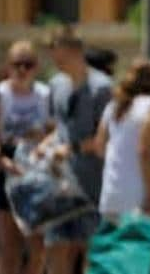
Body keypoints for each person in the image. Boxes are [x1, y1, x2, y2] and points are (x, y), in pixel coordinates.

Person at [43, 25, 112, 274]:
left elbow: (104, 139)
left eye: (60, 56)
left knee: (89, 248)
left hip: (92, 182)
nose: (56, 61)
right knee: (57, 246)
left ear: (76, 52)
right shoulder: (55, 84)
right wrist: (44, 147)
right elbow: (58, 128)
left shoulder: (102, 88)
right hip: (60, 180)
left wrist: (70, 148)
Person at [94, 57, 150, 217]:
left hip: (112, 194)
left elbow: (99, 147)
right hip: (141, 199)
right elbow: (144, 150)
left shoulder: (113, 107)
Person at [0, 40, 51, 274]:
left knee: (38, 247)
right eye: (16, 64)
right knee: (9, 246)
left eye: (27, 64)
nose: (22, 70)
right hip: (6, 168)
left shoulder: (44, 94)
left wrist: (42, 136)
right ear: (8, 66)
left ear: (36, 67)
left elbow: (55, 130)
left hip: (35, 169)